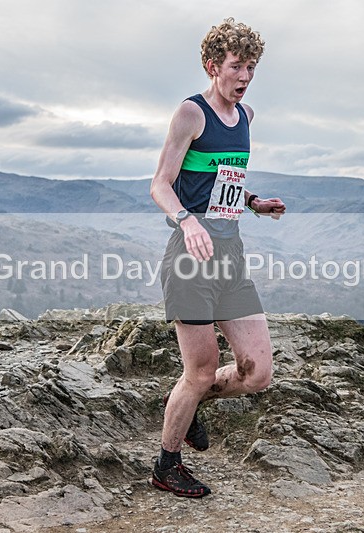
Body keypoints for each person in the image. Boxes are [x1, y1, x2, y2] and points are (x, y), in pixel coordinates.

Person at [149, 18, 286, 497]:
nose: (245, 75)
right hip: (189, 256)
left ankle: (193, 406)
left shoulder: (246, 117)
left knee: (258, 371)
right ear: (213, 66)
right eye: (236, 66)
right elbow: (160, 184)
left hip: (230, 254)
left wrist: (253, 203)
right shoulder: (191, 113)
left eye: (251, 66)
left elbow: (223, 177)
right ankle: (167, 465)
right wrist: (186, 221)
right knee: (200, 370)